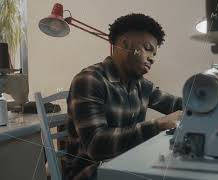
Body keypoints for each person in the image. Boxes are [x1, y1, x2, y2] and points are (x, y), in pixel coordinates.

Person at [64, 13, 183, 180]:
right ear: (124, 44)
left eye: (154, 54)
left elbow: (178, 104)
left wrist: (210, 98)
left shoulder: (142, 85)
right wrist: (158, 125)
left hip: (126, 161)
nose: (152, 59)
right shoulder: (89, 80)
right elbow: (96, 146)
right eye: (148, 48)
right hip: (90, 173)